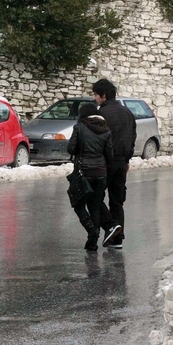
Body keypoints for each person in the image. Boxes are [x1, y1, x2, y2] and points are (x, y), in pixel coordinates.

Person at [67, 103, 122, 251]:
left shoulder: (79, 127)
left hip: (83, 173)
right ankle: (93, 242)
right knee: (96, 206)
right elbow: (109, 154)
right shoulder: (106, 129)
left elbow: (70, 148)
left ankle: (91, 230)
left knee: (78, 203)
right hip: (101, 173)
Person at [93, 78, 137, 249]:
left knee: (95, 196)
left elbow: (98, 140)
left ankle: (109, 227)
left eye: (96, 94)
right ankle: (117, 239)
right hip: (121, 163)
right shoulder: (128, 113)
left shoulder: (101, 115)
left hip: (105, 163)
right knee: (117, 201)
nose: (94, 98)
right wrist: (127, 159)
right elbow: (132, 137)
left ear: (104, 95)